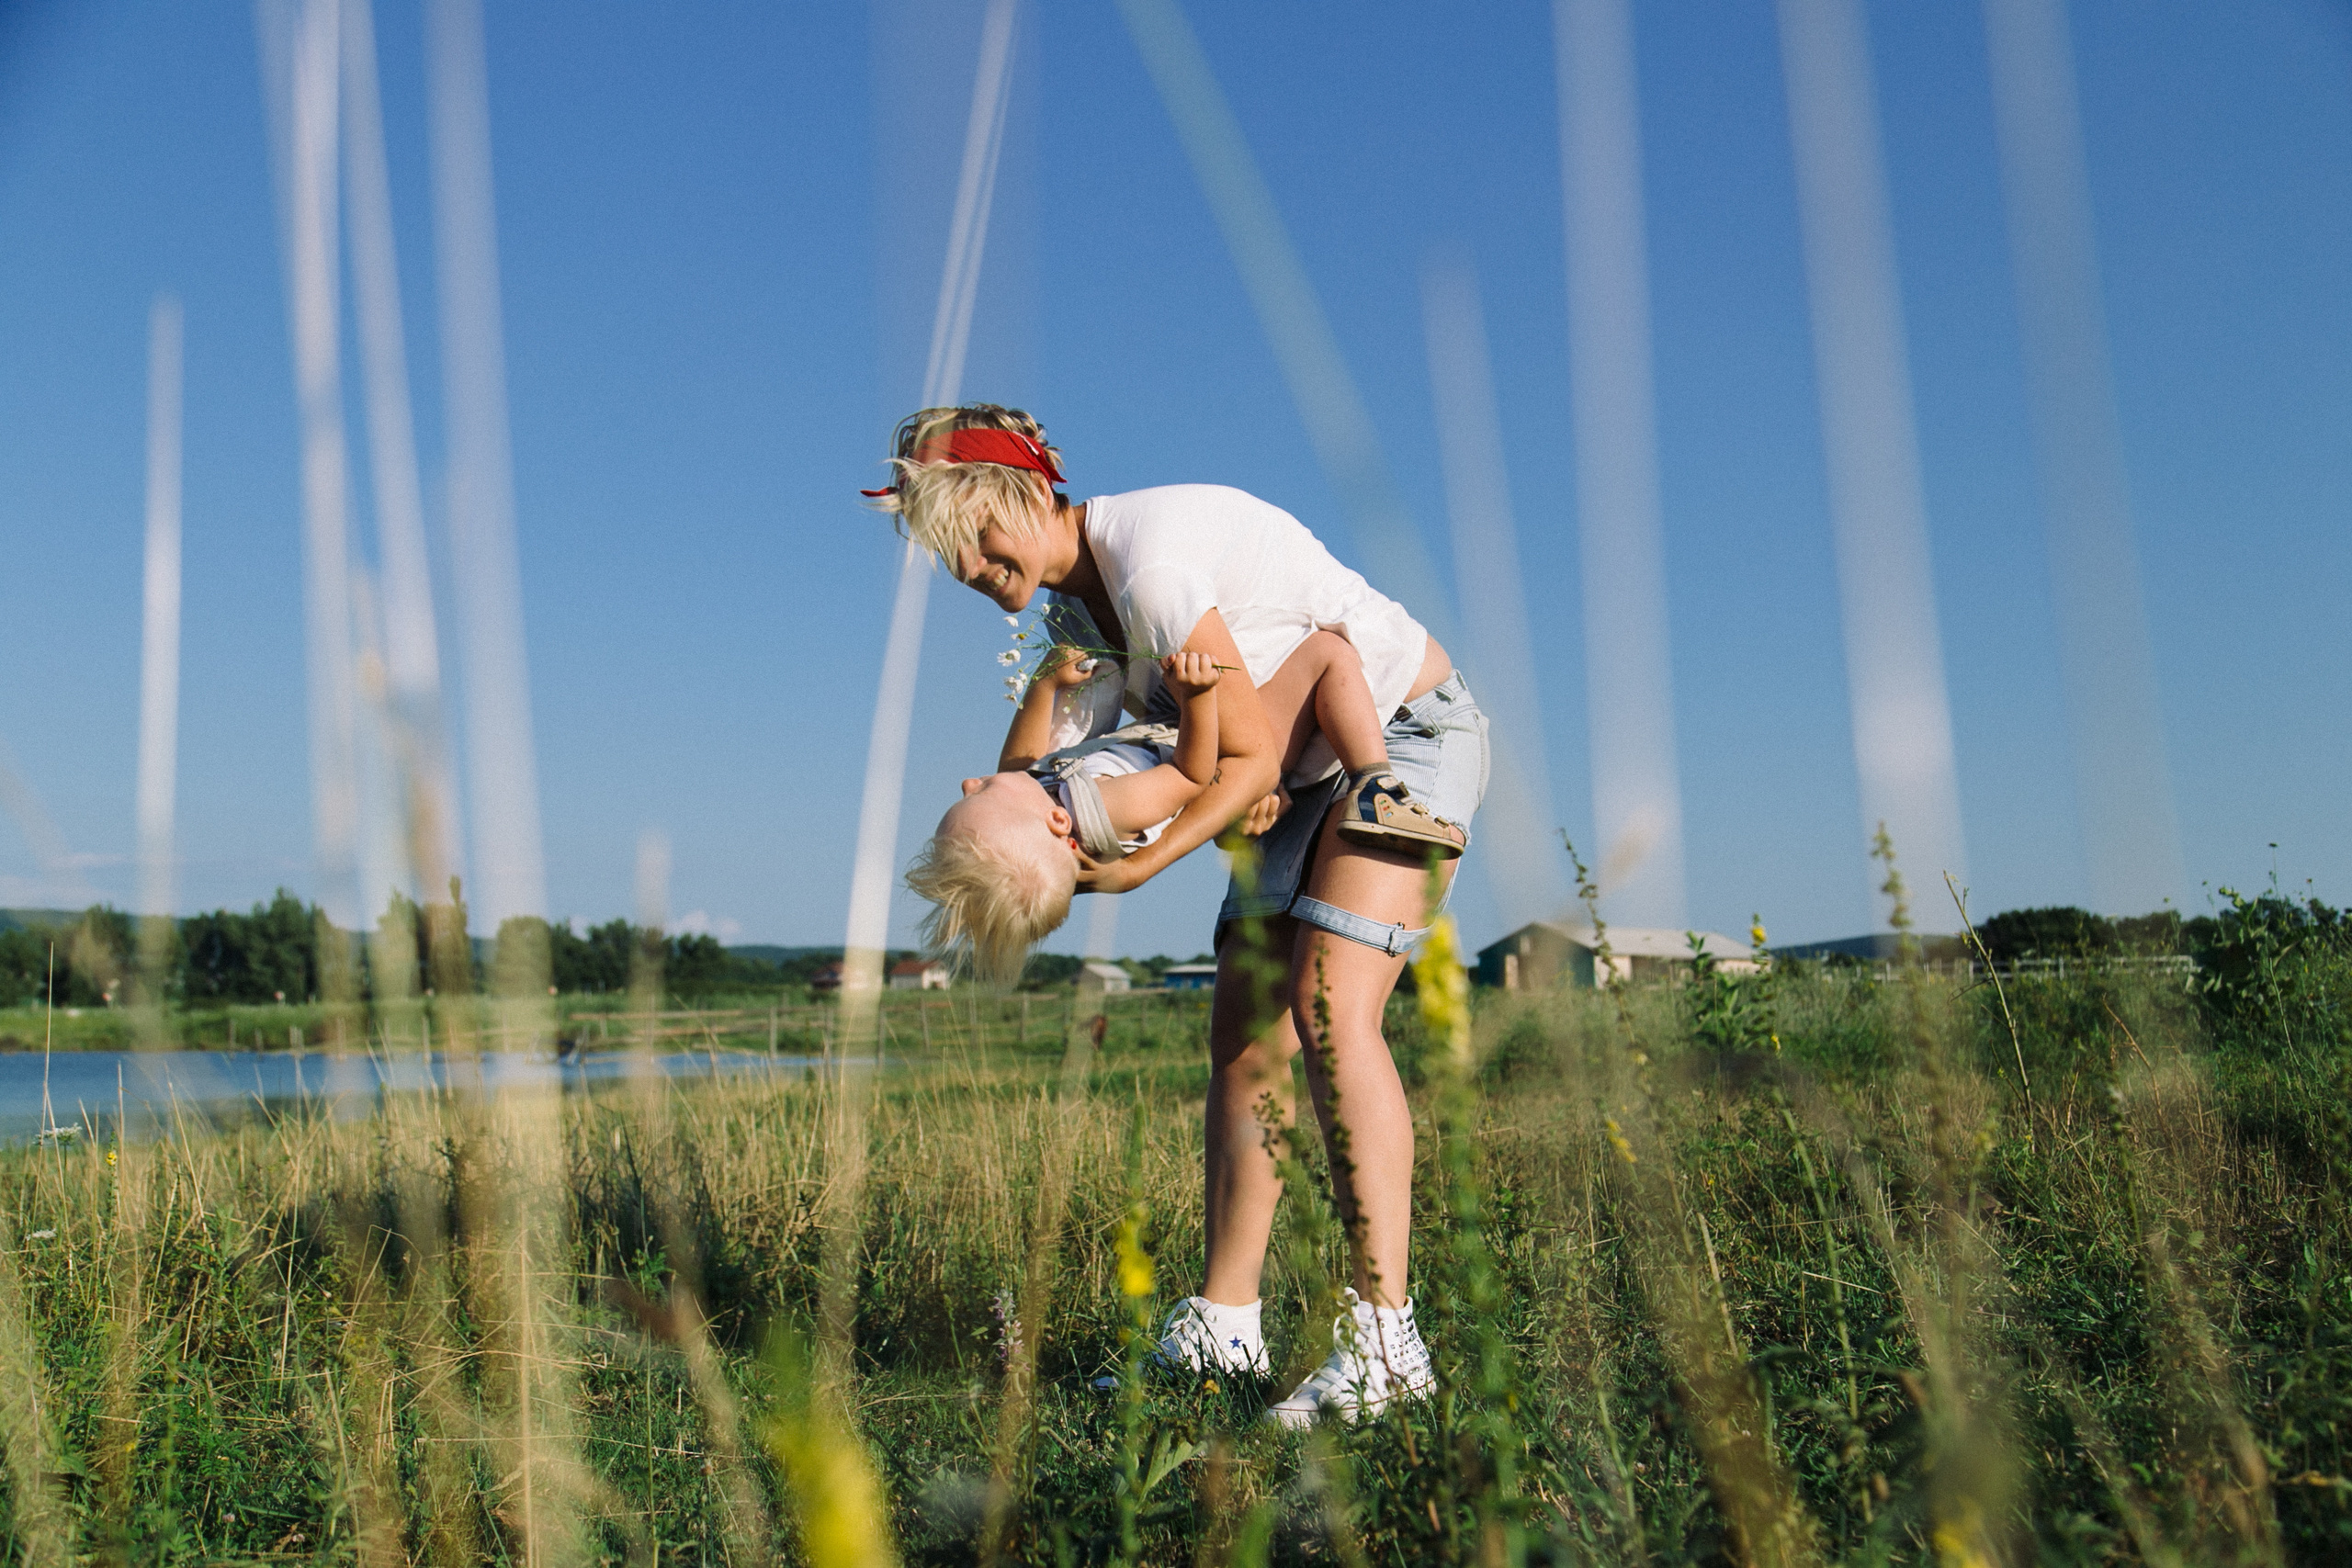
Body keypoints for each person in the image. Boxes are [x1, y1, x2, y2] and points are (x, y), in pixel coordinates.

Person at [868, 404, 1487, 1426]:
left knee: (1329, 1008)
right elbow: (1050, 782)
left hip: (1397, 740)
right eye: (951, 558)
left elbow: (1232, 760)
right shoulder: (1077, 618)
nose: (974, 569)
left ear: (1026, 497)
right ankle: (1223, 1328)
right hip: (1303, 766)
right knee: (1247, 1042)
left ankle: (1387, 1345)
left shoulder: (1146, 564)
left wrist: (1137, 869)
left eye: (979, 537)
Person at [907, 633, 1463, 982]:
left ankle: (1284, 791)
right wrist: (1198, 700)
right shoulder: (1104, 807)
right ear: (1057, 824)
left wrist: (1045, 687)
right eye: (983, 794)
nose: (969, 782)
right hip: (1223, 752)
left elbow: (1015, 765)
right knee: (1326, 655)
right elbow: (1189, 775)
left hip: (1200, 743)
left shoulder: (1048, 808)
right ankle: (1374, 781)